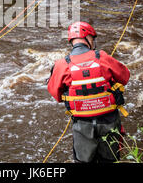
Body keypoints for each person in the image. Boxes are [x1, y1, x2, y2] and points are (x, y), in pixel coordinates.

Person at [47, 22, 130, 163]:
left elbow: (56, 94)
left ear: (72, 41)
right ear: (88, 38)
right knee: (111, 160)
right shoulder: (102, 57)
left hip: (82, 125)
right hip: (108, 121)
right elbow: (125, 77)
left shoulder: (61, 64)